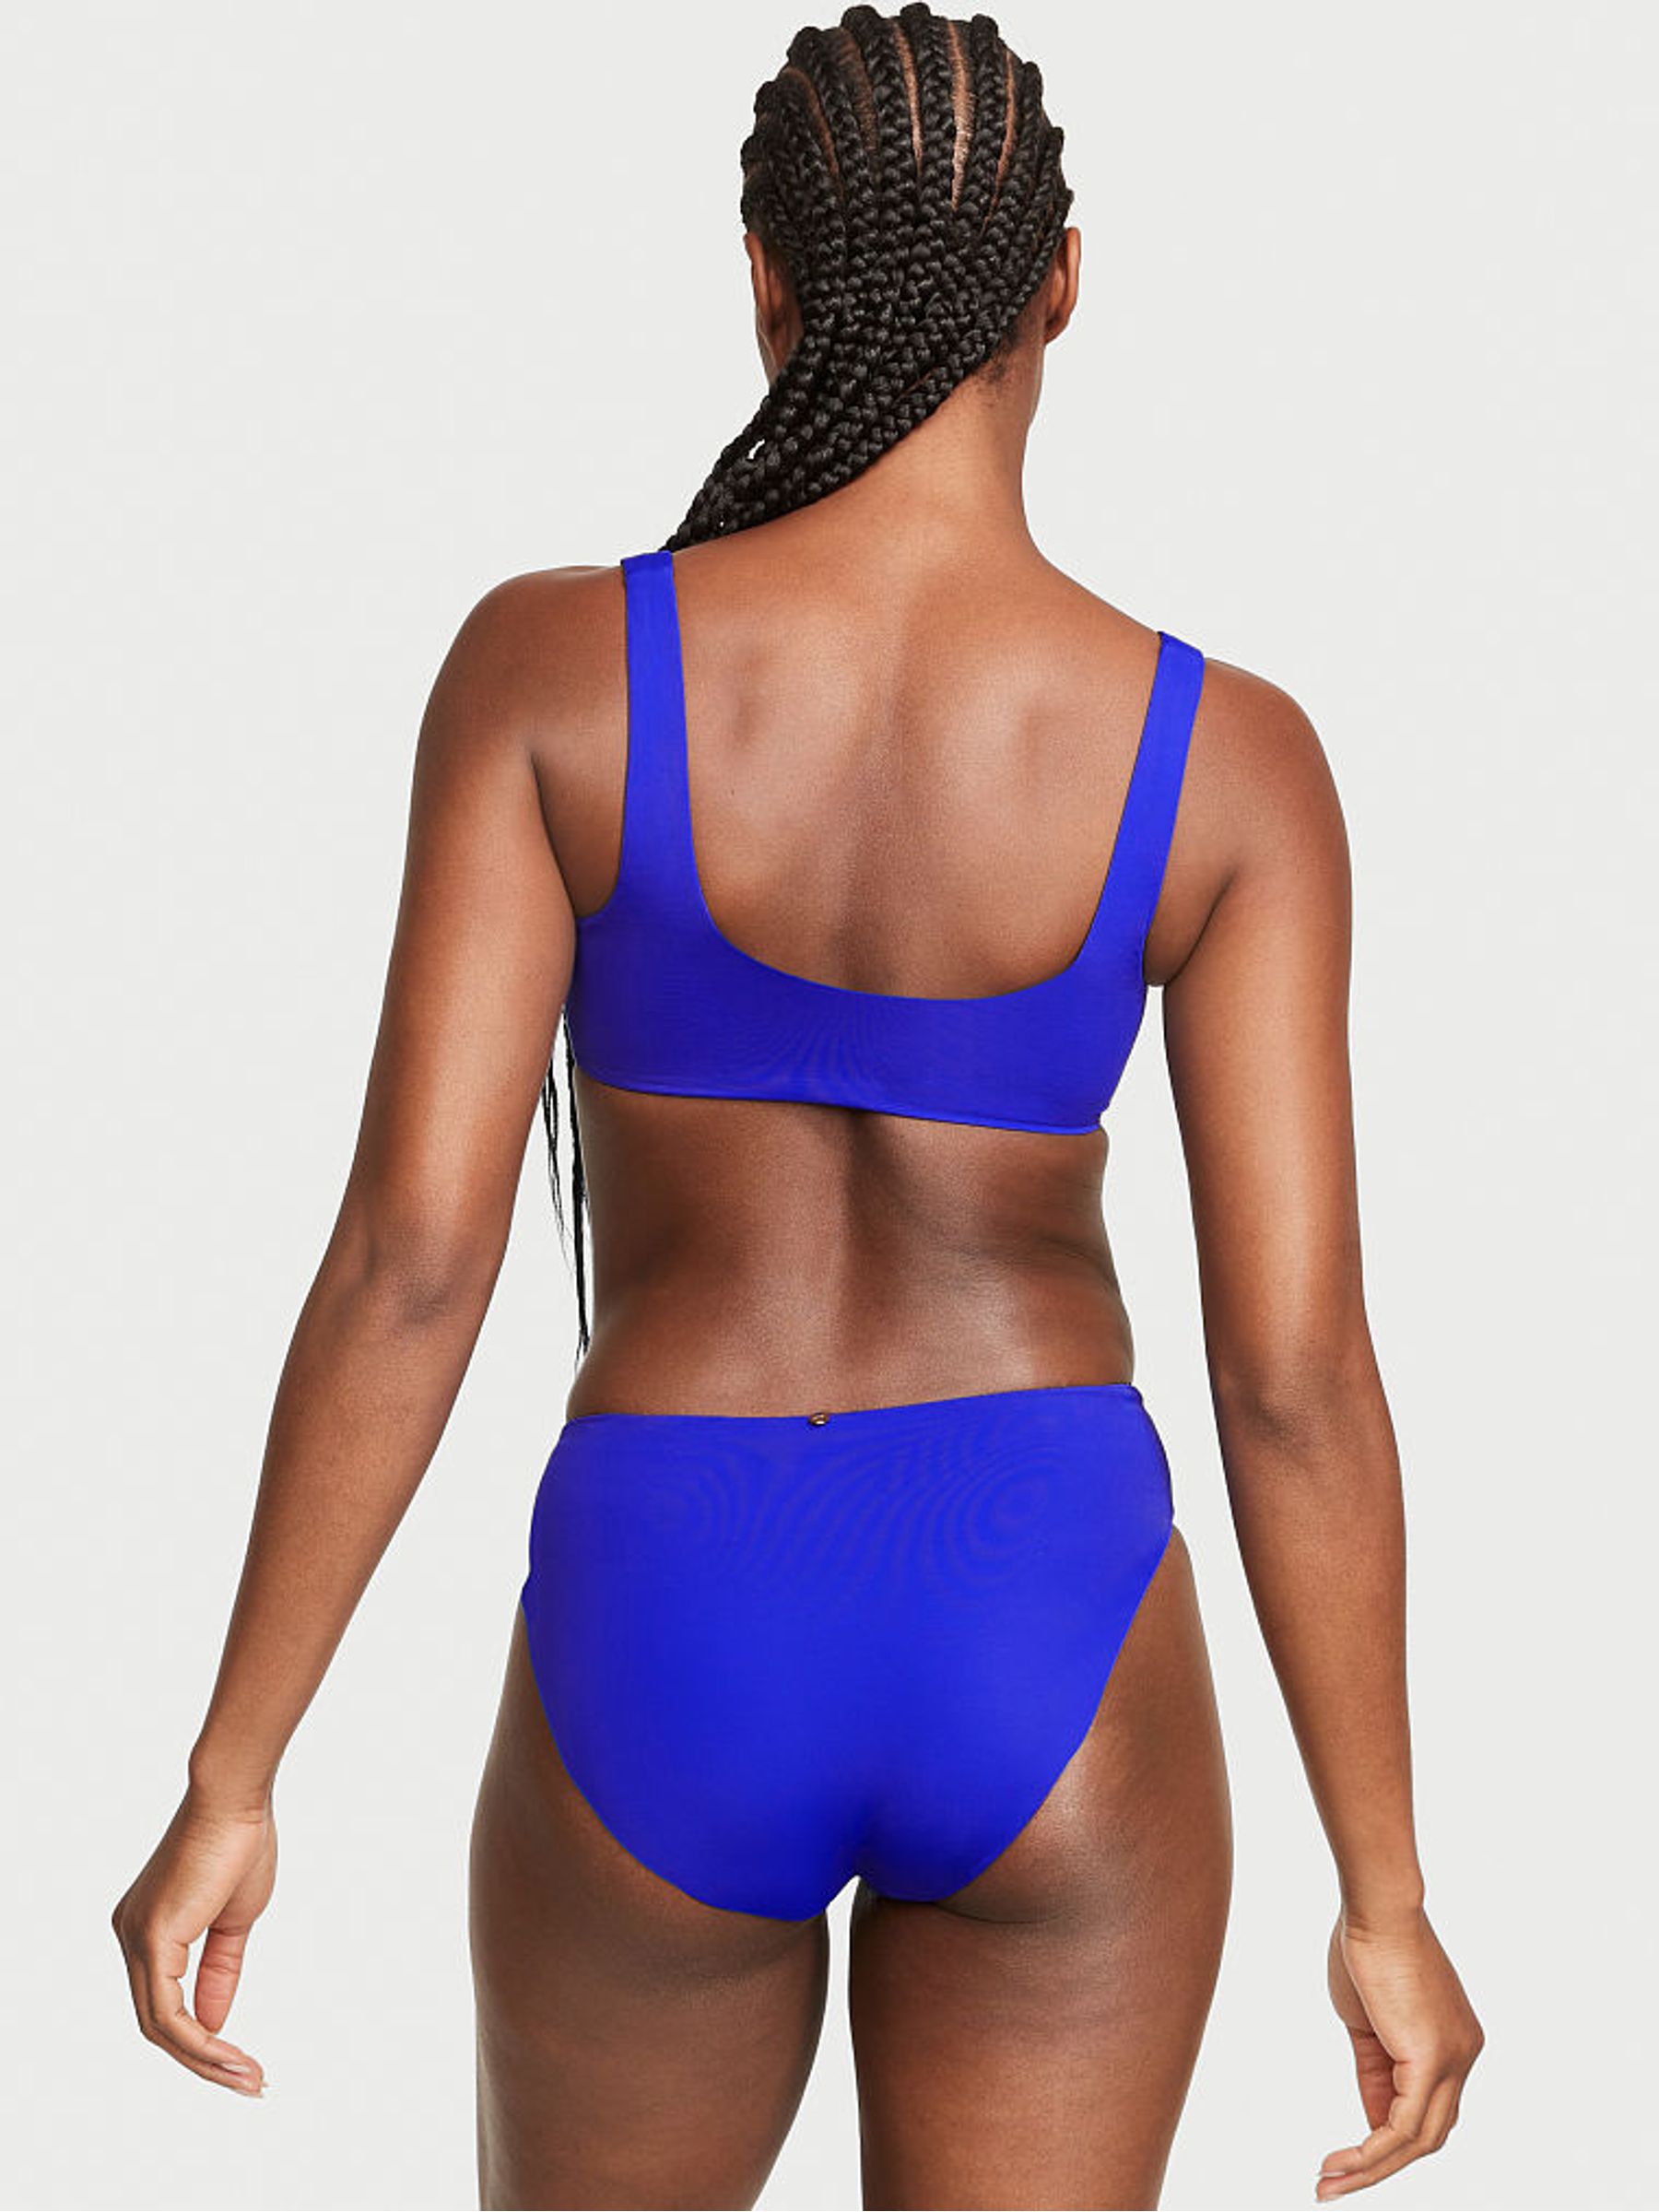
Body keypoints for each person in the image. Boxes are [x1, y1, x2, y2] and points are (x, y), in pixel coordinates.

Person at [111, 6, 1484, 2206]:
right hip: (1045, 1608)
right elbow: (1296, 1375)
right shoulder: (1229, 763)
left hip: (673, 1604)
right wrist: (1385, 1893)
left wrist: (235, 1770)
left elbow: (413, 1263)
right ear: (1062, 283)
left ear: (762, 281)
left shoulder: (554, 673)